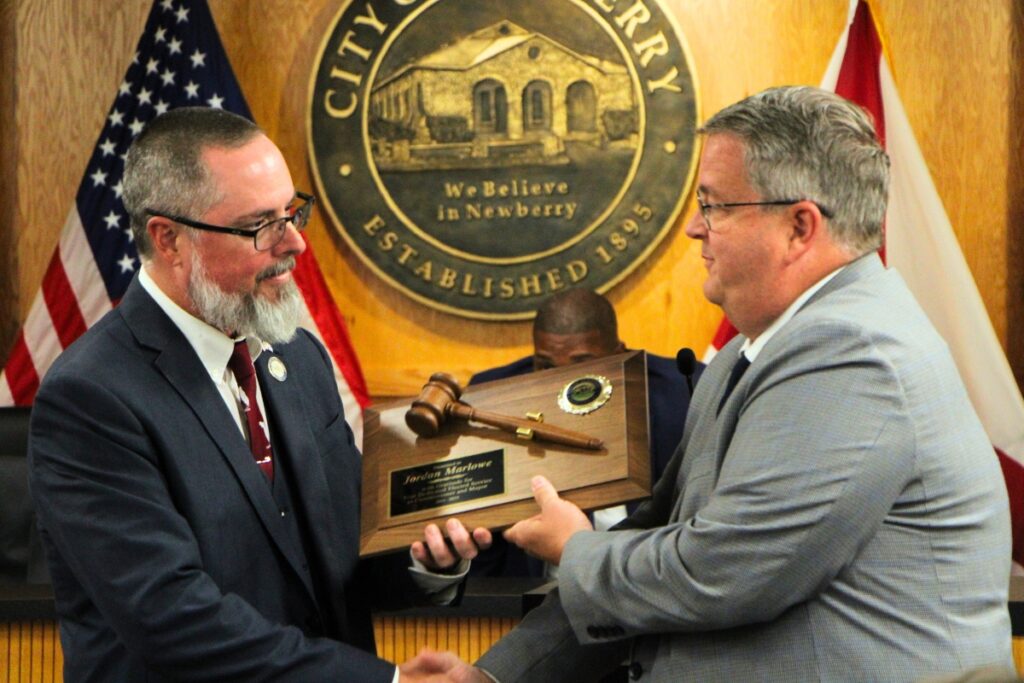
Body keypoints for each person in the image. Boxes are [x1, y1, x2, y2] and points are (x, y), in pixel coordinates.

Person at [405, 86, 1014, 681]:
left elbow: (721, 573)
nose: (696, 229)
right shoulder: (743, 358)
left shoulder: (851, 353)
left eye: (716, 205)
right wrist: (494, 677)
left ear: (800, 226)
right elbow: (655, 548)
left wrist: (576, 548)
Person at [28, 107, 489, 682]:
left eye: (292, 212)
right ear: (169, 239)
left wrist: (425, 561)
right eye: (259, 226)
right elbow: (173, 622)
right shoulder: (91, 398)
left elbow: (337, 551)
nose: (294, 242)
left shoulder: (295, 354)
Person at [468, 288, 701, 577]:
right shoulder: (495, 401)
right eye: (546, 366)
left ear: (619, 355)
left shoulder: (682, 397)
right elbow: (482, 558)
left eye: (582, 366)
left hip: (649, 593)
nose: (562, 385)